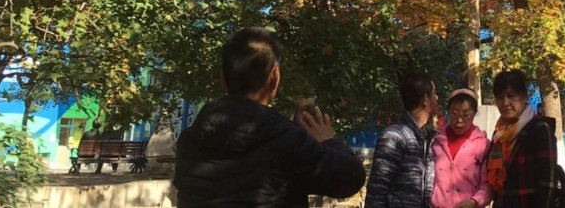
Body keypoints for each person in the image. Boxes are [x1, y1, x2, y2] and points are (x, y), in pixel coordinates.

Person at [173, 27, 366, 208]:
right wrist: (327, 140)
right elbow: (350, 179)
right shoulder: (287, 140)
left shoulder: (190, 140)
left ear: (222, 77)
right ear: (274, 77)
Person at [364, 73, 439, 208]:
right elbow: (377, 190)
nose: (437, 98)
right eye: (434, 93)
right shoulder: (394, 136)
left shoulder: (429, 138)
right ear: (426, 99)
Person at [486, 69, 557, 208]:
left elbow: (548, 183)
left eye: (511, 96)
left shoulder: (539, 129)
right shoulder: (499, 133)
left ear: (524, 96)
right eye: (500, 97)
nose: (505, 102)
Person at [431, 88, 492, 208]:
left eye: (466, 115)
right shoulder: (435, 140)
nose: (459, 120)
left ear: (474, 114)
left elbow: (488, 184)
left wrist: (475, 201)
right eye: (454, 113)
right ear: (448, 111)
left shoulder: (483, 145)